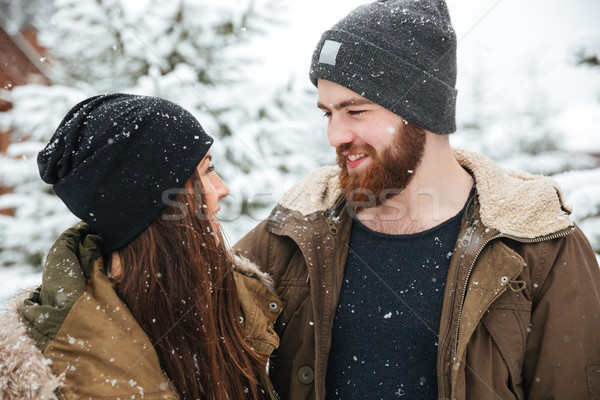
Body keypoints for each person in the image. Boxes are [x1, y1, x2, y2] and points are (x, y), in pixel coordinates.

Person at [235, 0, 600, 399]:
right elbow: (182, 315)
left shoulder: (540, 247)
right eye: (328, 114)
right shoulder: (297, 228)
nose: (335, 136)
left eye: (355, 111)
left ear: (422, 111)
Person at [0, 94, 282, 400]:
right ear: (154, 208)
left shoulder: (227, 302)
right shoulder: (52, 374)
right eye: (205, 171)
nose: (223, 189)